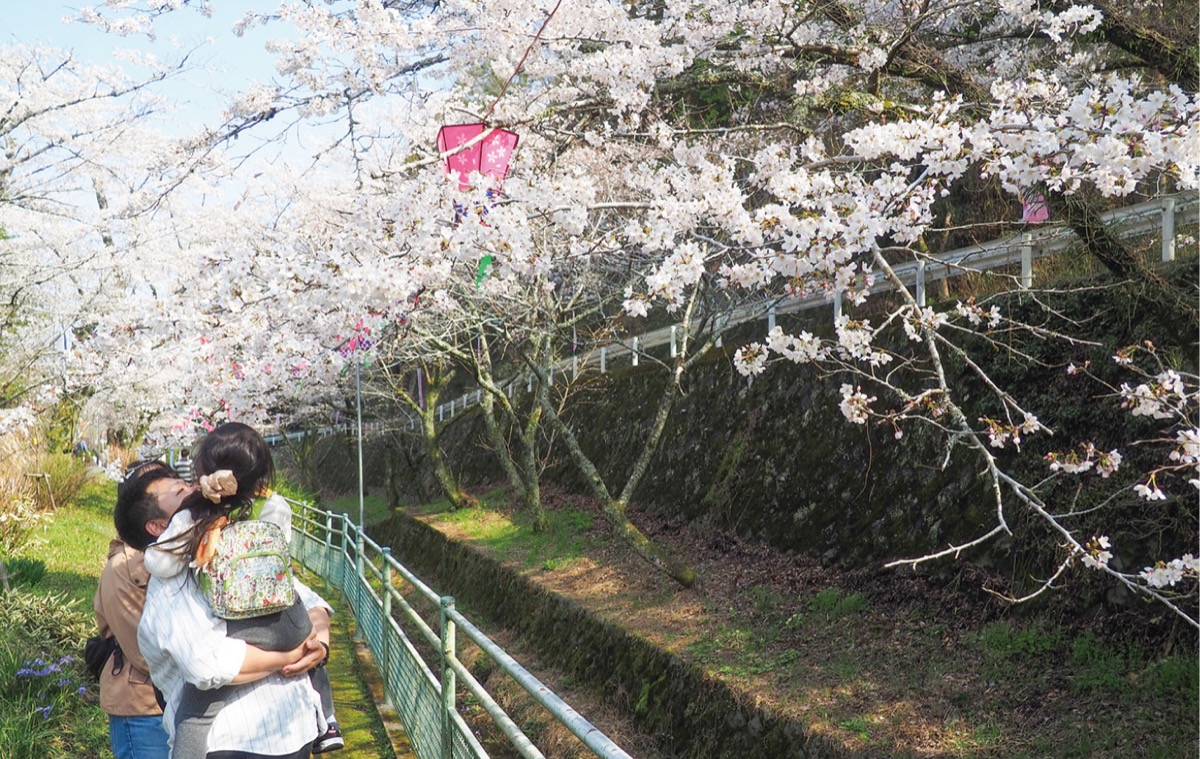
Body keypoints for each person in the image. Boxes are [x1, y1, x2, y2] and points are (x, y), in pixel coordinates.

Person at [144, 423, 342, 756]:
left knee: (194, 713)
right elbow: (283, 571)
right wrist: (304, 647)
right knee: (314, 657)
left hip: (237, 635)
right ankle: (330, 720)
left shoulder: (191, 519)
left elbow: (204, 664)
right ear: (262, 472)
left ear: (203, 474)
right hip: (290, 625)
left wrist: (183, 524)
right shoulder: (274, 507)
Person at [93, 461, 179, 759]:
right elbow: (144, 650)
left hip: (181, 701)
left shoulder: (180, 552)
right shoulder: (122, 568)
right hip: (144, 708)